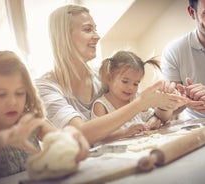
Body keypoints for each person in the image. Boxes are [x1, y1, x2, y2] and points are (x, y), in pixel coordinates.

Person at [35, 4, 182, 146]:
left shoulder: (105, 74)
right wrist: (142, 102)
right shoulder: (44, 87)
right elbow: (80, 134)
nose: (97, 36)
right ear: (64, 37)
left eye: (95, 29)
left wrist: (163, 106)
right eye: (88, 30)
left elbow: (152, 114)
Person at [0, 51, 89, 182]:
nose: (12, 102)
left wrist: (70, 135)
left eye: (19, 93)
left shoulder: (30, 122)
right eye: (1, 94)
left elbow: (59, 137)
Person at [91, 51, 187, 142]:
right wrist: (124, 133)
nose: (130, 88)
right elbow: (98, 138)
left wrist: (152, 121)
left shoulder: (136, 98)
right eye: (125, 81)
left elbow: (154, 116)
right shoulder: (101, 105)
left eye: (136, 84)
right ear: (109, 78)